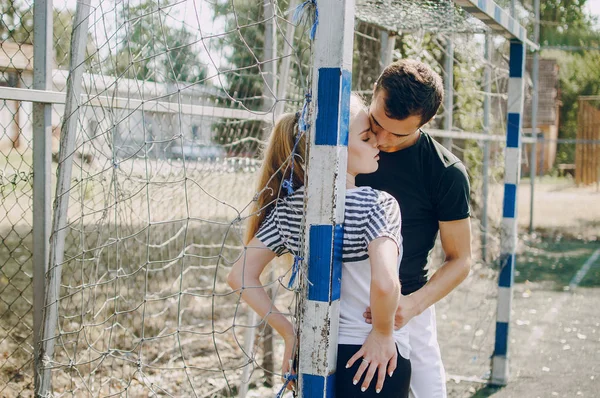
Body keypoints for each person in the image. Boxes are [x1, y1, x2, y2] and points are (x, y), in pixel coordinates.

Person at [227, 94, 412, 397]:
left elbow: (239, 277)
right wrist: (382, 332)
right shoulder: (379, 204)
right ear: (335, 150)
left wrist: (289, 332)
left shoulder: (291, 209)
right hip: (372, 358)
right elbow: (385, 283)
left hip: (314, 355)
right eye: (366, 138)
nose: (377, 143)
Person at [357, 59, 472, 398]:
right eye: (377, 124)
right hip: (341, 300)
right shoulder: (339, 148)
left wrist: (414, 305)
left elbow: (461, 259)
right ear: (373, 93)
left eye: (398, 132)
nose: (382, 139)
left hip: (406, 304)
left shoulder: (445, 171)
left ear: (425, 123)